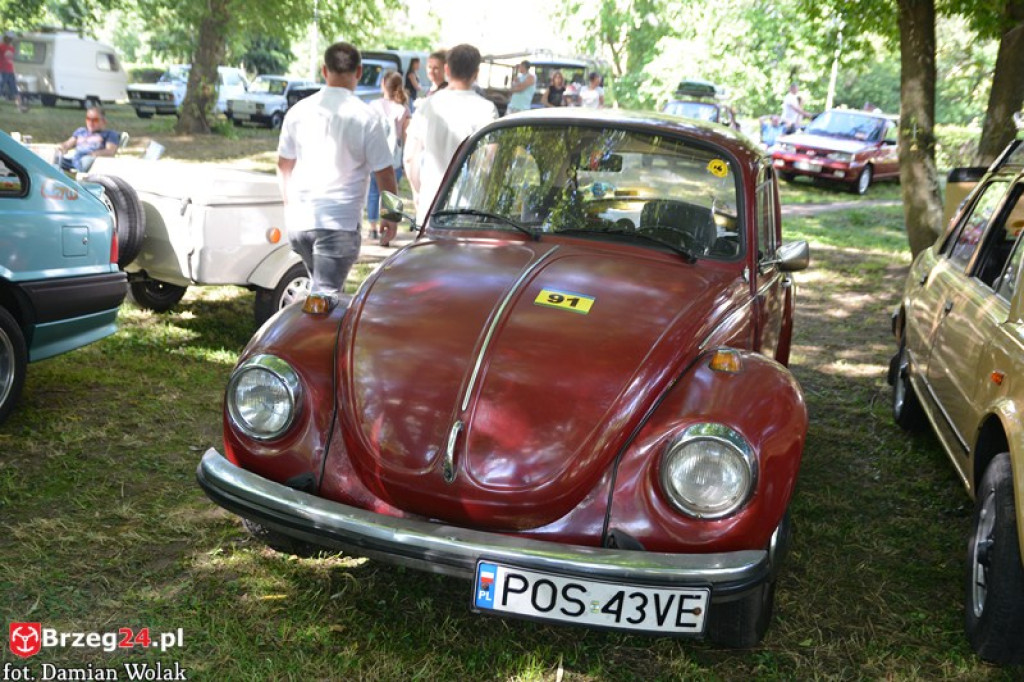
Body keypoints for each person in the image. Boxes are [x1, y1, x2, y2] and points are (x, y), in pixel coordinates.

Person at [277, 41, 398, 297]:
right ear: (359, 72)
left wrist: (289, 205)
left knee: (321, 295)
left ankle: (325, 335)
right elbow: (385, 172)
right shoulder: (366, 117)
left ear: (324, 71)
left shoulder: (298, 111)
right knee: (325, 301)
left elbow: (284, 166)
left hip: (300, 222)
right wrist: (392, 216)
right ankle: (315, 336)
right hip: (338, 224)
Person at [404, 43, 499, 225]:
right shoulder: (487, 110)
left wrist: (418, 192)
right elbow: (489, 161)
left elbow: (409, 158)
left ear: (446, 69)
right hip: (469, 209)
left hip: (430, 205)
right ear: (476, 73)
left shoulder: (427, 106)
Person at [367, 72, 411, 240]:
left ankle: (372, 227)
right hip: (395, 158)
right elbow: (406, 136)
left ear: (383, 83)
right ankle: (387, 228)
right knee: (391, 194)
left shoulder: (373, 106)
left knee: (373, 192)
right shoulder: (404, 109)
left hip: (374, 155)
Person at [57, 107, 120, 172]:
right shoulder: (81, 131)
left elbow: (110, 151)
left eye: (95, 120)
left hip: (90, 160)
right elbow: (68, 144)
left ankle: (73, 175)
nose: (91, 122)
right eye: (88, 119)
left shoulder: (110, 134)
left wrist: (93, 154)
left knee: (87, 161)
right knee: (54, 159)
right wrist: (62, 147)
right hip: (74, 160)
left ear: (103, 121)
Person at [0, 32, 25, 112]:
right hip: (3, 71)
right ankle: (20, 107)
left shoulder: (11, 48)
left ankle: (20, 107)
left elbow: (10, 61)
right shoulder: (2, 47)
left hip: (9, 71)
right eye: (9, 38)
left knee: (14, 89)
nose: (10, 39)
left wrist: (14, 71)